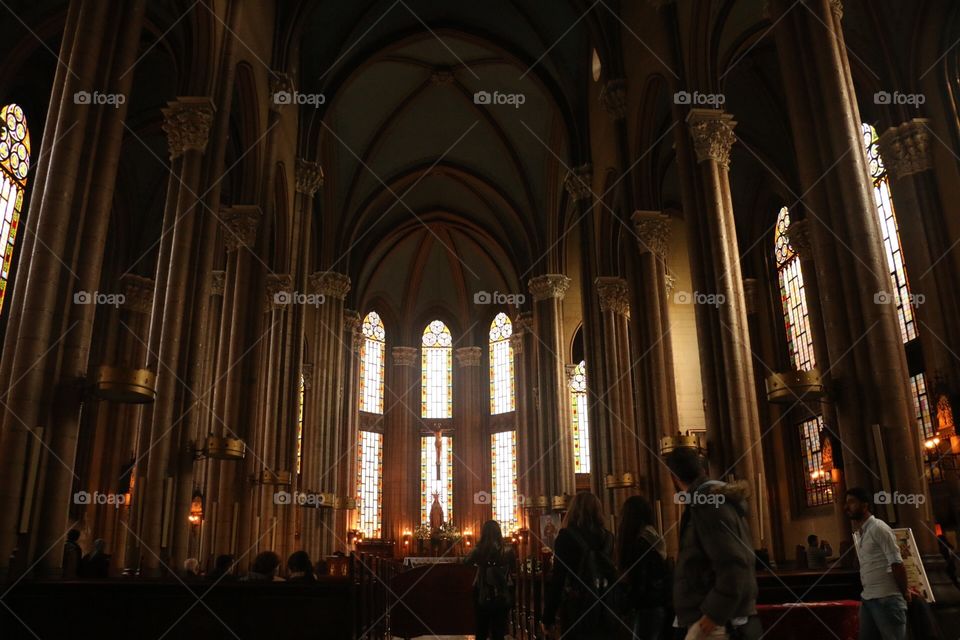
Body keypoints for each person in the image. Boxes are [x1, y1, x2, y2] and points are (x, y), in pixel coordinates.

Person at [666, 447, 761, 639]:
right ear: (703, 470)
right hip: (718, 617)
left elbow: (733, 563)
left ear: (674, 478)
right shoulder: (709, 501)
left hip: (718, 623)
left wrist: (712, 615)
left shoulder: (709, 504)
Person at [542, 492, 617, 640]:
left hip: (578, 608)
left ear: (573, 510)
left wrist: (548, 617)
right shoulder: (609, 537)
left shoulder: (566, 537)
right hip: (607, 606)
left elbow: (559, 579)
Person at [845, 487, 909, 640]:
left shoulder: (879, 528)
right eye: (846, 503)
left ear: (865, 505)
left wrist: (905, 591)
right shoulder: (862, 532)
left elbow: (896, 563)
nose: (846, 507)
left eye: (852, 502)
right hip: (868, 598)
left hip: (887, 598)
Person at [618, 495, 670, 640]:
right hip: (658, 605)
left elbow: (640, 581)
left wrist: (625, 606)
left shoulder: (641, 543)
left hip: (646, 607)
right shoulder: (652, 536)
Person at [464, 520, 515, 640]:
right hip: (502, 593)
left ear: (483, 533)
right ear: (499, 532)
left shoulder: (479, 550)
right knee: (499, 630)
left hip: (482, 592)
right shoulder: (508, 550)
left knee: (481, 629)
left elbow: (466, 562)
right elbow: (513, 569)